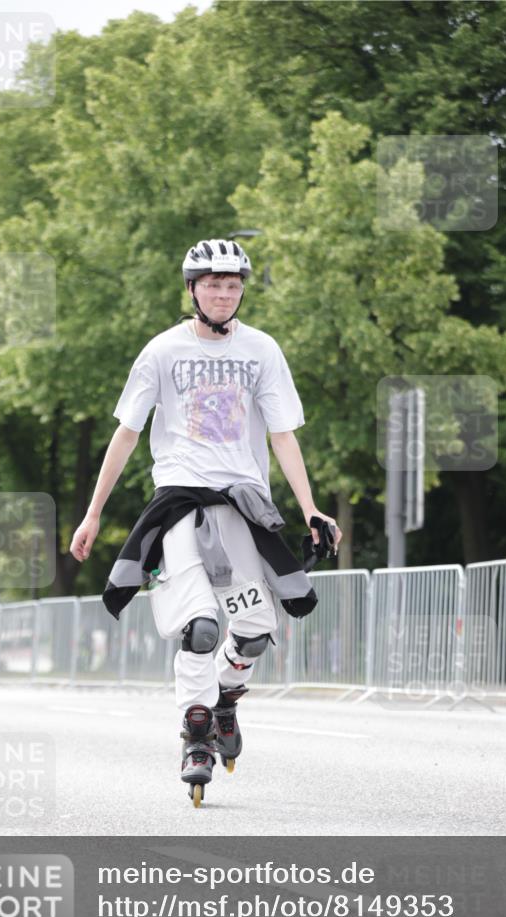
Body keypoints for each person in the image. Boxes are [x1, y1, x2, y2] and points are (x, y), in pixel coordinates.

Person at [70, 238, 342, 806]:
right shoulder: (162, 352)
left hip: (242, 503)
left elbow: (282, 434)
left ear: (241, 290)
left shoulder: (262, 350)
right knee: (200, 628)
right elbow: (127, 432)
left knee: (254, 634)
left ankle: (225, 701)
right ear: (192, 289)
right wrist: (93, 512)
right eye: (213, 284)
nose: (223, 293)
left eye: (233, 284)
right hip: (180, 505)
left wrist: (310, 505)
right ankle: (195, 737)